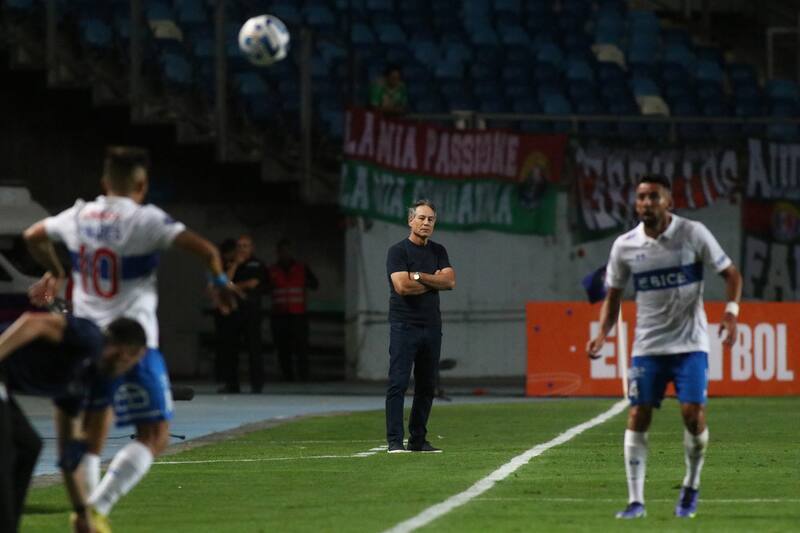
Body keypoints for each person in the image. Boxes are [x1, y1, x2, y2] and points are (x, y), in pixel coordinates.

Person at [22, 146, 238, 525]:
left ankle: (86, 514)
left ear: (104, 181)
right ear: (142, 184)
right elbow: (206, 251)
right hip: (134, 343)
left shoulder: (80, 215)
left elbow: (33, 235)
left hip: (87, 340)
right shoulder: (145, 219)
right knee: (154, 434)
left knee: (92, 431)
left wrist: (57, 272)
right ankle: (96, 509)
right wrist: (219, 283)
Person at [586, 175, 742, 519]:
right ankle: (635, 501)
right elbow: (613, 296)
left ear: (668, 201)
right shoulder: (625, 245)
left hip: (691, 344)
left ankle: (691, 486)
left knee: (692, 415)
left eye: (653, 197)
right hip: (648, 347)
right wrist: (602, 334)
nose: (646, 203)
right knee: (638, 414)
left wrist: (731, 313)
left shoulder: (693, 233)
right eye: (641, 197)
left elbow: (731, 274)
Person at [0, 311, 147, 533]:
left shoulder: (82, 382)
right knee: (6, 453)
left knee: (28, 447)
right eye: (135, 361)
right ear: (126, 353)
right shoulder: (90, 338)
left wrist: (82, 513)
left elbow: (67, 453)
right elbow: (33, 322)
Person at [385, 199, 455, 453]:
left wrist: (418, 276)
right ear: (410, 221)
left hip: (432, 326)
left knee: (426, 385)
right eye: (422, 218)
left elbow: (450, 282)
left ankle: (417, 440)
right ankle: (395, 441)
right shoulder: (398, 251)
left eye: (431, 219)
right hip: (404, 325)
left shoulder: (438, 250)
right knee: (398, 383)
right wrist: (433, 281)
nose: (426, 223)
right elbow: (402, 287)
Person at [219, 234, 269, 393]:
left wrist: (234, 286)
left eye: (245, 246)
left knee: (254, 348)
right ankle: (231, 384)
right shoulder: (230, 264)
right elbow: (224, 283)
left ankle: (257, 385)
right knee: (230, 349)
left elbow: (253, 284)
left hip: (251, 310)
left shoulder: (258, 264)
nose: (242, 249)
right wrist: (235, 266)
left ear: (252, 248)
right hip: (233, 310)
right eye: (239, 246)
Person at [268, 238, 319, 382]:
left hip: (298, 315)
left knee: (301, 347)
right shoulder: (272, 270)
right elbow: (264, 288)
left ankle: (304, 376)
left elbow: (315, 284)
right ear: (278, 253)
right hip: (279, 315)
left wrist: (305, 282)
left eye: (287, 251)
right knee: (283, 347)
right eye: (282, 251)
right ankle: (287, 377)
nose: (285, 254)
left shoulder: (302, 268)